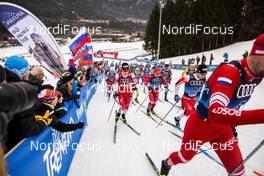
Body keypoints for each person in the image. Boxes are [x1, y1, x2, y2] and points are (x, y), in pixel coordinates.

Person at [160, 34, 264, 176]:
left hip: (223, 130)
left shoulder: (256, 76)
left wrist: (232, 126)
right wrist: (175, 94)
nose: (203, 74)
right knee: (184, 157)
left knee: (238, 172)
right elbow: (214, 112)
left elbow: (235, 103)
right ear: (259, 53)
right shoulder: (229, 72)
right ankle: (166, 163)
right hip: (200, 125)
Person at [3, 56, 47, 151]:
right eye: (27, 71)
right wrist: (43, 122)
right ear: (22, 73)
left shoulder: (5, 88)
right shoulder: (20, 93)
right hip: (16, 150)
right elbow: (27, 129)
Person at [174, 64, 208, 128]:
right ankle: (191, 128)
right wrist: (176, 94)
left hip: (194, 99)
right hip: (186, 99)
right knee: (192, 113)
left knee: (189, 112)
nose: (202, 76)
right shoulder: (189, 77)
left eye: (204, 75)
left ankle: (177, 118)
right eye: (202, 74)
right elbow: (177, 84)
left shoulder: (204, 78)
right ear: (198, 71)